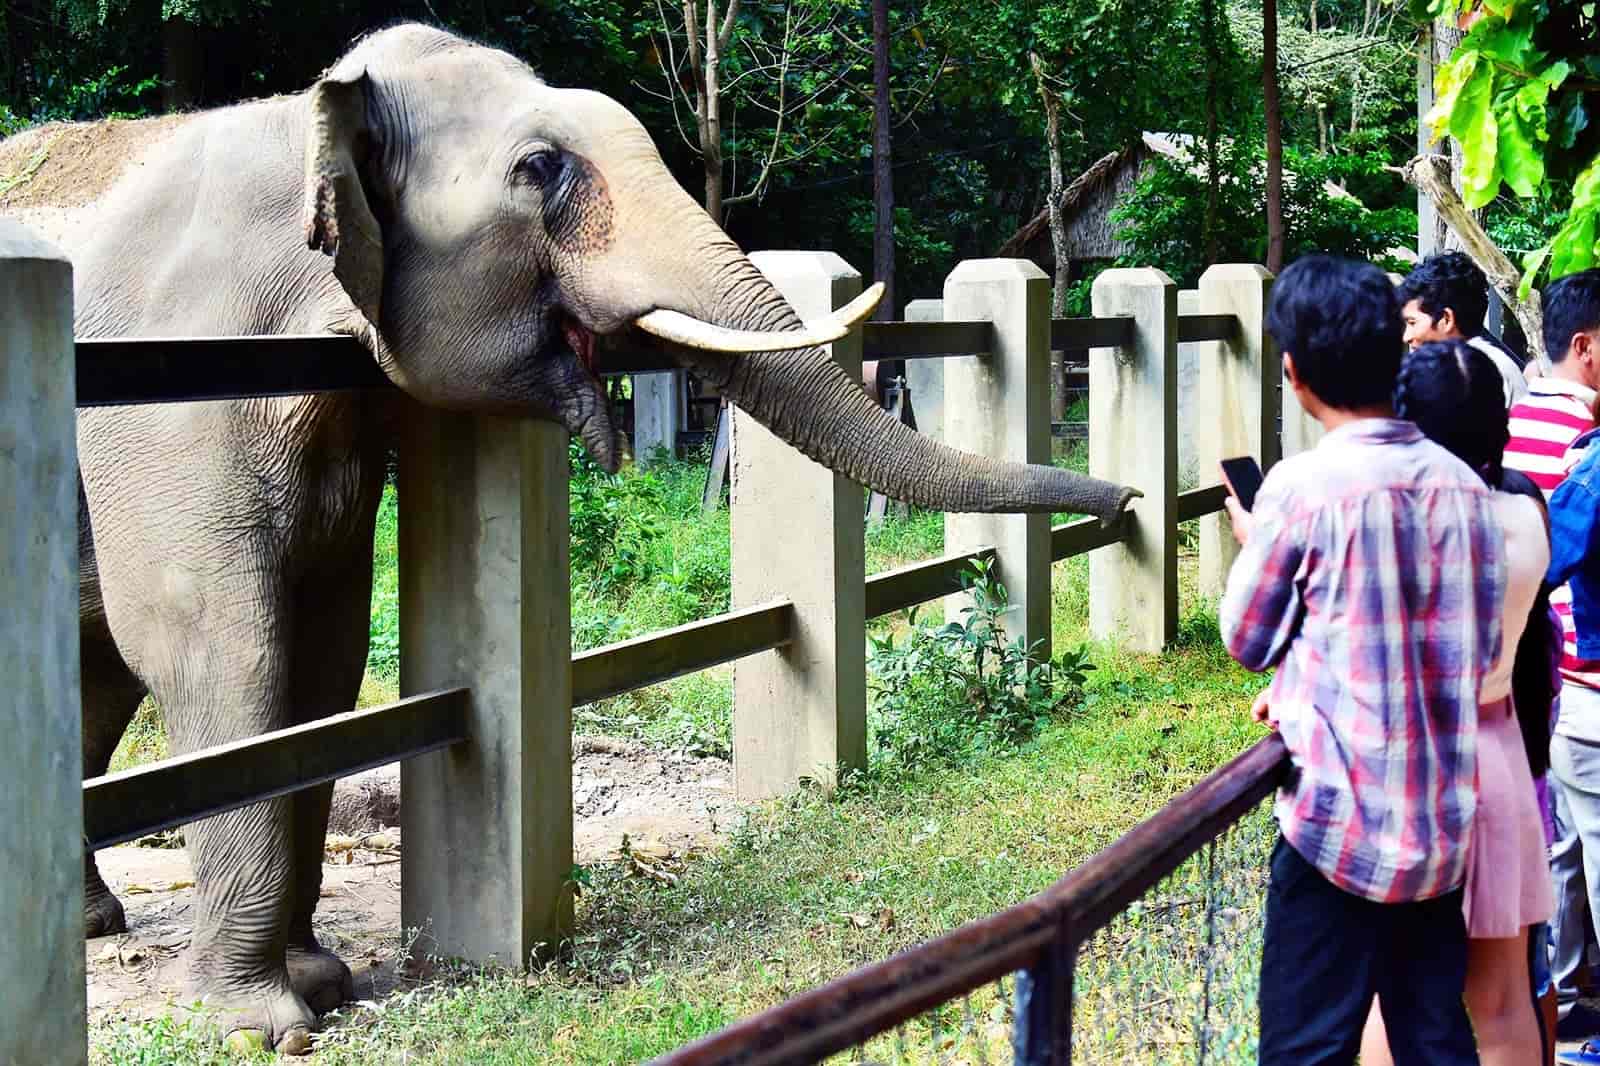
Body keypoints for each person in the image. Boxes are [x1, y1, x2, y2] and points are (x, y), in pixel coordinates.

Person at [1220, 256, 1505, 1065]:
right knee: (1436, 1043)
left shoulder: (1303, 489)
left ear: (1294, 371)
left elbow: (1247, 640)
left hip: (1334, 836)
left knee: (1308, 1050)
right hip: (1443, 834)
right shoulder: (1464, 486)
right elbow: (1478, 656)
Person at [1358, 340, 1559, 1066]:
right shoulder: (1525, 512)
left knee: (1393, 994)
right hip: (1500, 757)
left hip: (1409, 768)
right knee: (1504, 1002)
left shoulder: (1394, 524)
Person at [1501, 269, 1600, 1047]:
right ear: (1586, 346)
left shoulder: (1515, 413)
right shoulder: (1587, 440)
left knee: (1561, 849)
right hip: (1580, 664)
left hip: (1545, 670)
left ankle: (1565, 997)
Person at [1399, 251, 1529, 407]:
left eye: (1412, 323)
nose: (1406, 337)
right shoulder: (1484, 363)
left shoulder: (1476, 373)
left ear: (1446, 319)